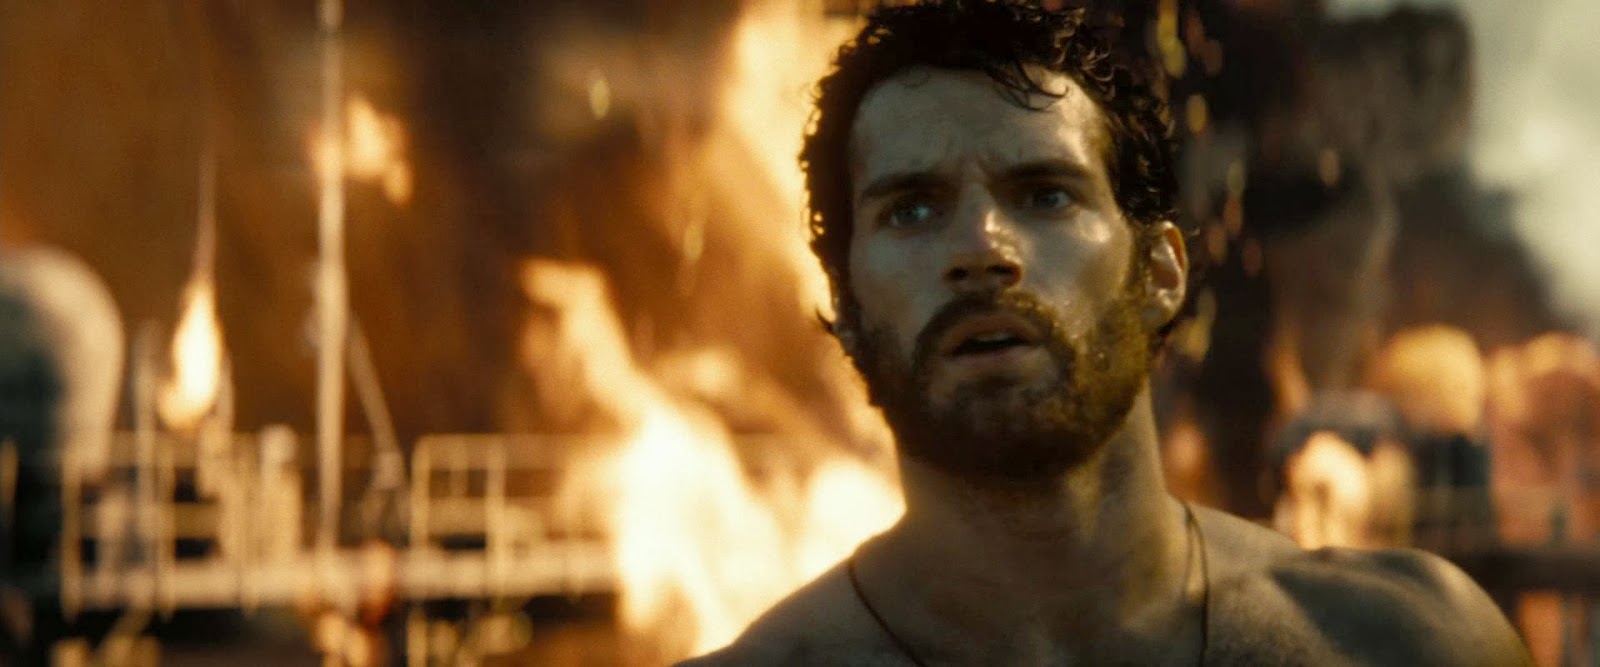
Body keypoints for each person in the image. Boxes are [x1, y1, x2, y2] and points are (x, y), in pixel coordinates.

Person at [685, 2, 1529, 665]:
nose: (982, 247)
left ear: (1162, 270)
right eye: (911, 209)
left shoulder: (1410, 641)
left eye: (1045, 194)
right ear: (842, 299)